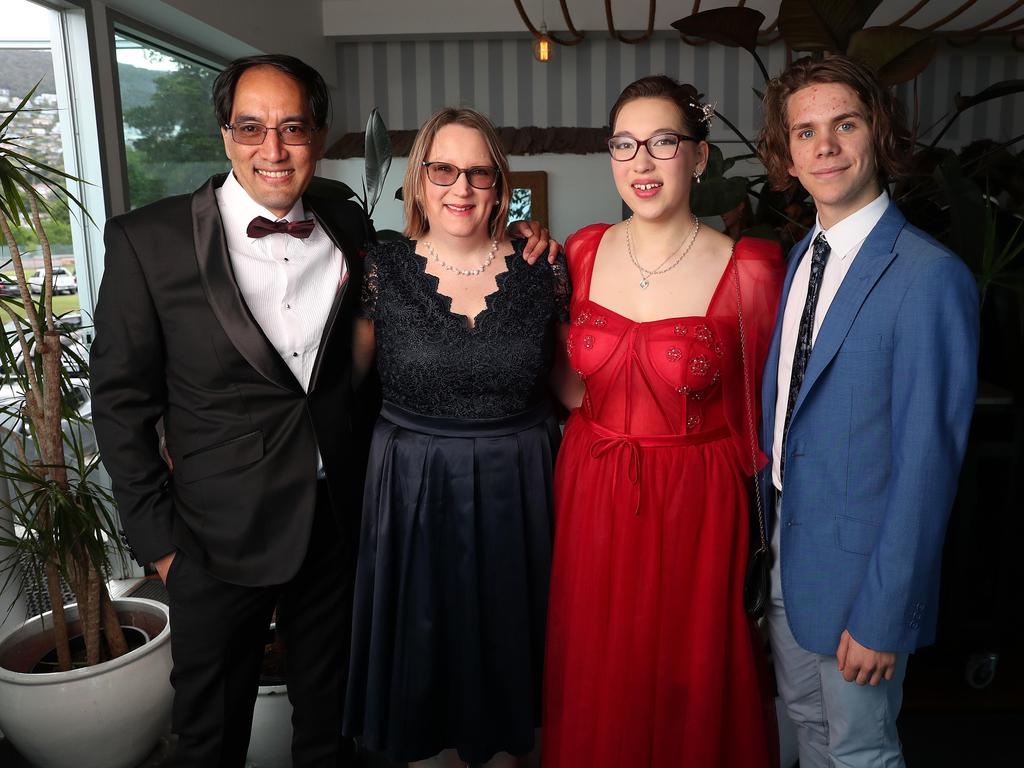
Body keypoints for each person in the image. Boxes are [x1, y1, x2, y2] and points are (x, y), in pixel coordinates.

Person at [90, 56, 552, 768]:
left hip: (337, 531)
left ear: (319, 136)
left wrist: (521, 244)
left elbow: (408, 319)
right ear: (224, 135)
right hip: (214, 541)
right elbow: (120, 405)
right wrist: (162, 547)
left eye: (292, 128)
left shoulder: (348, 224)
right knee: (209, 739)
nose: (272, 148)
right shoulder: (147, 242)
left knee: (333, 734)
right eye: (252, 127)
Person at [543, 75, 783, 767]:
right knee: (598, 670)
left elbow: (764, 420)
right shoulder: (581, 251)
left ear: (699, 156)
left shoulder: (751, 268)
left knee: (689, 674)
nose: (641, 162)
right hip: (591, 487)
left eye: (662, 142)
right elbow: (569, 382)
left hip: (695, 502)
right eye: (624, 144)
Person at [756, 55, 979, 768]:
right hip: (788, 559)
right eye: (805, 131)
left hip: (863, 578)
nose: (824, 146)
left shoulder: (928, 276)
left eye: (843, 124)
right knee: (807, 732)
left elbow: (928, 463)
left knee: (860, 750)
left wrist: (888, 612)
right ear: (787, 153)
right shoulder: (799, 259)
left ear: (876, 134)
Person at [343, 106, 572, 768]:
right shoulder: (379, 268)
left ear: (501, 185)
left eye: (478, 172)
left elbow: (574, 388)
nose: (461, 188)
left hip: (522, 487)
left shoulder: (544, 269)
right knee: (423, 661)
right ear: (418, 180)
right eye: (443, 170)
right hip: (410, 489)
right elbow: (340, 391)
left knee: (513, 658)